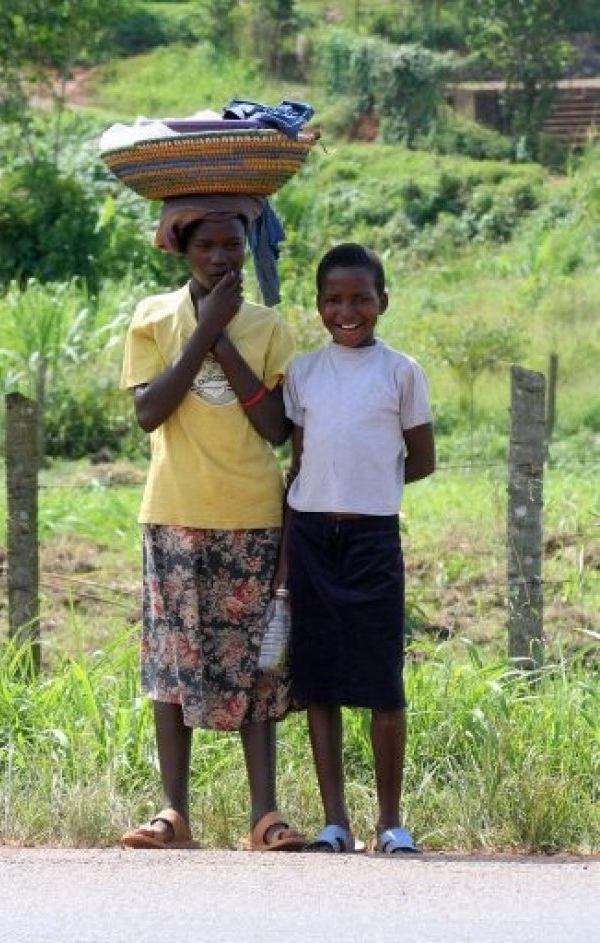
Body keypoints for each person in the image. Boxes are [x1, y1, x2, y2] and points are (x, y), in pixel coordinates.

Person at [119, 194, 306, 852]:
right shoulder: (152, 318)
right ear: (182, 249)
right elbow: (150, 413)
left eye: (233, 245)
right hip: (173, 510)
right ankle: (173, 812)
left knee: (254, 666)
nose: (222, 257)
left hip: (251, 514)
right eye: (207, 247)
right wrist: (204, 328)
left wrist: (224, 334)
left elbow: (276, 429)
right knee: (173, 662)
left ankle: (265, 815)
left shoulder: (270, 327)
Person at [279, 242, 435, 855]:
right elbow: (298, 463)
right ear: (318, 306)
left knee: (382, 681)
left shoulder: (401, 371)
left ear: (383, 301)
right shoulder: (304, 373)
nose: (347, 310)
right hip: (312, 535)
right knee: (319, 682)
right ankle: (334, 822)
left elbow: (420, 459)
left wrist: (370, 488)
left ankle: (390, 822)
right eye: (334, 299)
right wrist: (289, 554)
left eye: (360, 298)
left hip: (373, 538)